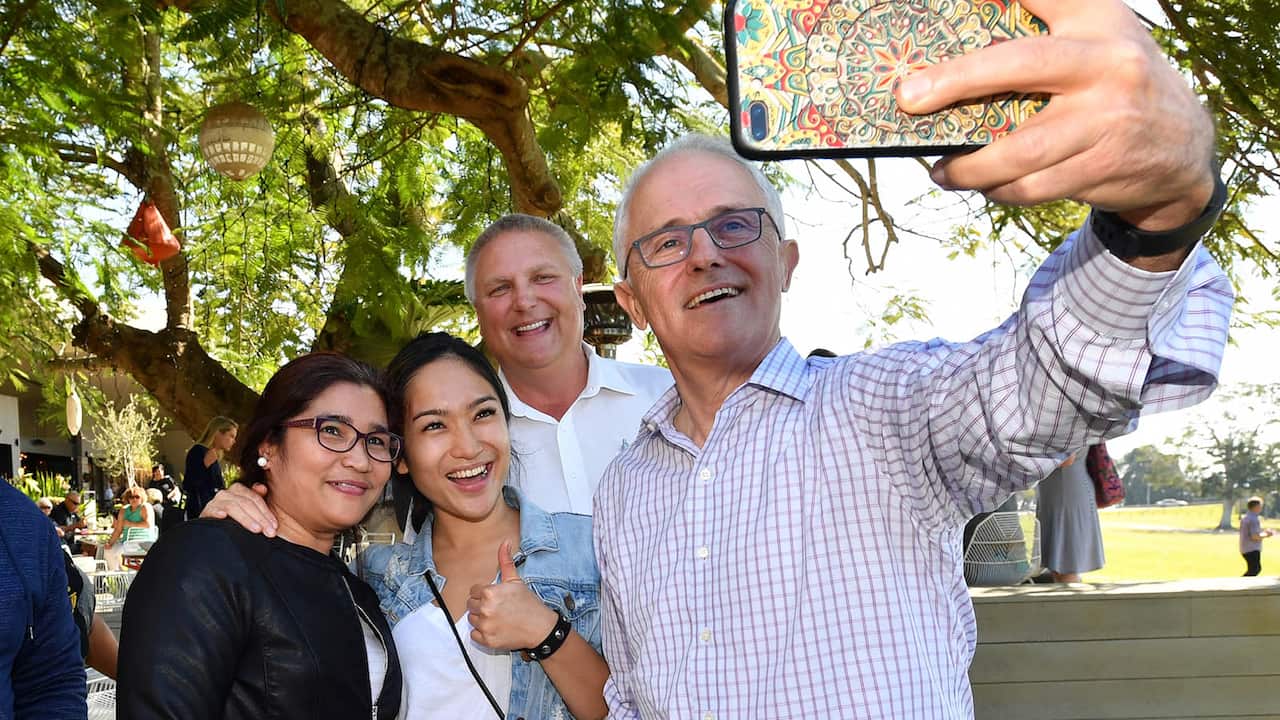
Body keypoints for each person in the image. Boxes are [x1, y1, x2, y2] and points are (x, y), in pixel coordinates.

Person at [594, 0, 1232, 712]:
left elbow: (1043, 380)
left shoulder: (888, 410)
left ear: (785, 262)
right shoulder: (622, 491)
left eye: (734, 225)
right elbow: (630, 693)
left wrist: (1160, 211)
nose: (706, 254)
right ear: (632, 303)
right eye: (667, 242)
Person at [207, 334, 609, 720]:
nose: (468, 446)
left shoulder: (590, 548)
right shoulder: (373, 576)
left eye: (483, 413)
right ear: (399, 455)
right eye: (434, 425)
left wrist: (547, 632)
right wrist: (238, 515)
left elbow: (642, 703)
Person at [116, 353, 403, 719]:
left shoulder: (355, 587)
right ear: (269, 444)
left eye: (376, 441)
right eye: (331, 430)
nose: (360, 460)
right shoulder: (205, 558)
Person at [464, 214, 671, 515]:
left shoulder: (668, 397)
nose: (524, 301)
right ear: (479, 315)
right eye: (500, 289)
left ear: (578, 287)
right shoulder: (465, 447)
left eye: (543, 278)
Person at [0, 482, 87, 718]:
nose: (76, 506)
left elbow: (52, 683)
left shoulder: (27, 525)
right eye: (74, 503)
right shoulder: (45, 520)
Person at [1036, 451, 1105, 582]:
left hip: (1067, 494)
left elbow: (1066, 459)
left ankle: (1074, 602)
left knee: (1067, 566)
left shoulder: (1065, 429)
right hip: (1054, 494)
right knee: (1057, 568)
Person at [182, 416, 237, 520]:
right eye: (231, 436)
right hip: (200, 512)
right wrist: (204, 466)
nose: (234, 441)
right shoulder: (199, 451)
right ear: (218, 433)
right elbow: (189, 484)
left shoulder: (213, 455)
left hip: (211, 511)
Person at [1239, 496, 1273, 576]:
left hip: (1245, 548)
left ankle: (1241, 585)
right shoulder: (1253, 519)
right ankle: (1239, 584)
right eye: (1260, 506)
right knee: (1255, 569)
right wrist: (1267, 534)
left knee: (1254, 569)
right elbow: (1254, 536)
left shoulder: (1246, 517)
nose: (1261, 508)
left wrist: (1263, 532)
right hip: (1252, 549)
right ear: (1256, 507)